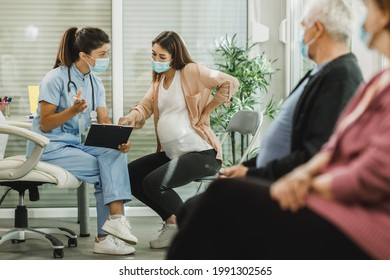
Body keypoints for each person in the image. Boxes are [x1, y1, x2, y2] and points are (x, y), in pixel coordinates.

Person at [166, 0, 390, 260]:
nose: (362, 18)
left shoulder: (343, 77)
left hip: (348, 217)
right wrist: (251, 170)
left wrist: (305, 182)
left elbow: (364, 169)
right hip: (298, 183)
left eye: (369, 8)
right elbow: (330, 150)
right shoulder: (368, 80)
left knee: (218, 200)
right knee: (197, 210)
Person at [118, 31, 239, 249]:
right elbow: (144, 106)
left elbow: (230, 82)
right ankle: (172, 224)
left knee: (154, 183)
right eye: (153, 55)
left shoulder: (191, 71)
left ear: (175, 55)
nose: (156, 60)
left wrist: (207, 110)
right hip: (173, 154)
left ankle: (193, 230)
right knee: (130, 176)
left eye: (162, 57)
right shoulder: (159, 80)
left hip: (202, 154)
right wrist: (131, 117)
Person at [222, 0, 363, 181]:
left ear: (318, 29)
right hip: (269, 177)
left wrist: (251, 174)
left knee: (205, 202)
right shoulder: (320, 72)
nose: (301, 35)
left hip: (284, 186)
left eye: (304, 26)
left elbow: (314, 154)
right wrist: (245, 167)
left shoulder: (341, 76)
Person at [26, 27, 137, 255]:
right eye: (103, 54)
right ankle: (106, 235)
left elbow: (103, 121)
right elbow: (46, 124)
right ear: (84, 56)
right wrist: (73, 110)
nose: (107, 58)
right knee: (103, 169)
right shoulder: (54, 78)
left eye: (108, 53)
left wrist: (118, 139)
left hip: (76, 144)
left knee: (114, 154)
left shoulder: (95, 83)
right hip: (48, 146)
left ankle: (114, 222)